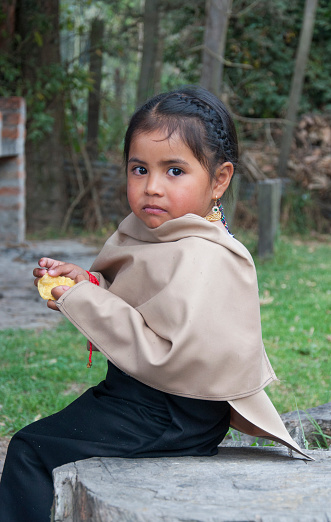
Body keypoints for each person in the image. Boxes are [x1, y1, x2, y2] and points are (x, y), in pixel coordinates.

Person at [0, 86, 311, 522]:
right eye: (140, 169)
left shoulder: (206, 256)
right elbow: (140, 298)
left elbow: (166, 352)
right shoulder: (153, 234)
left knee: (30, 451)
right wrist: (86, 281)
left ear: (219, 180)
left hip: (168, 411)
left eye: (175, 171)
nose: (152, 187)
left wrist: (84, 300)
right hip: (139, 399)